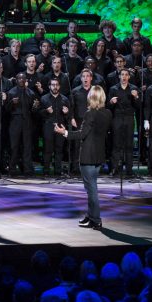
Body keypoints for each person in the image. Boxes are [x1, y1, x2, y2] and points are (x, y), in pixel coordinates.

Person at [55, 85, 112, 230]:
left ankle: (96, 219)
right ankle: (91, 216)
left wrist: (64, 132)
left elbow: (82, 134)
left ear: (91, 97)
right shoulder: (108, 113)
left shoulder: (90, 114)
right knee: (90, 188)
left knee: (91, 189)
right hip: (99, 155)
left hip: (88, 155)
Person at [108, 69, 141, 177]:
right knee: (116, 144)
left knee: (129, 145)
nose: (124, 77)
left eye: (126, 75)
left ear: (129, 77)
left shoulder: (134, 88)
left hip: (129, 118)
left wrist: (136, 97)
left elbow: (138, 107)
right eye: (122, 75)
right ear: (119, 76)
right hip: (117, 118)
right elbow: (108, 107)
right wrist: (111, 103)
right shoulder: (113, 89)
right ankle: (115, 169)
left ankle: (129, 170)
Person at [6, 73, 37, 177]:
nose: (21, 80)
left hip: (27, 121)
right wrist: (11, 103)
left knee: (27, 146)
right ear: (16, 80)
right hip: (15, 120)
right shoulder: (11, 92)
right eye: (19, 78)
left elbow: (33, 111)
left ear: (26, 80)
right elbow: (6, 110)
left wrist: (35, 107)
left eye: (23, 78)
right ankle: (12, 169)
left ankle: (27, 169)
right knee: (14, 146)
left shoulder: (30, 93)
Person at [40, 77, 70, 176]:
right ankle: (46, 171)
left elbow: (69, 116)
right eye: (53, 85)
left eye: (57, 85)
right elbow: (38, 114)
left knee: (59, 149)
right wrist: (46, 111)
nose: (55, 87)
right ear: (49, 86)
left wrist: (66, 113)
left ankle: (58, 171)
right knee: (47, 150)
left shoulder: (65, 99)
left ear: (59, 86)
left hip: (60, 127)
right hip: (48, 126)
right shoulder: (44, 98)